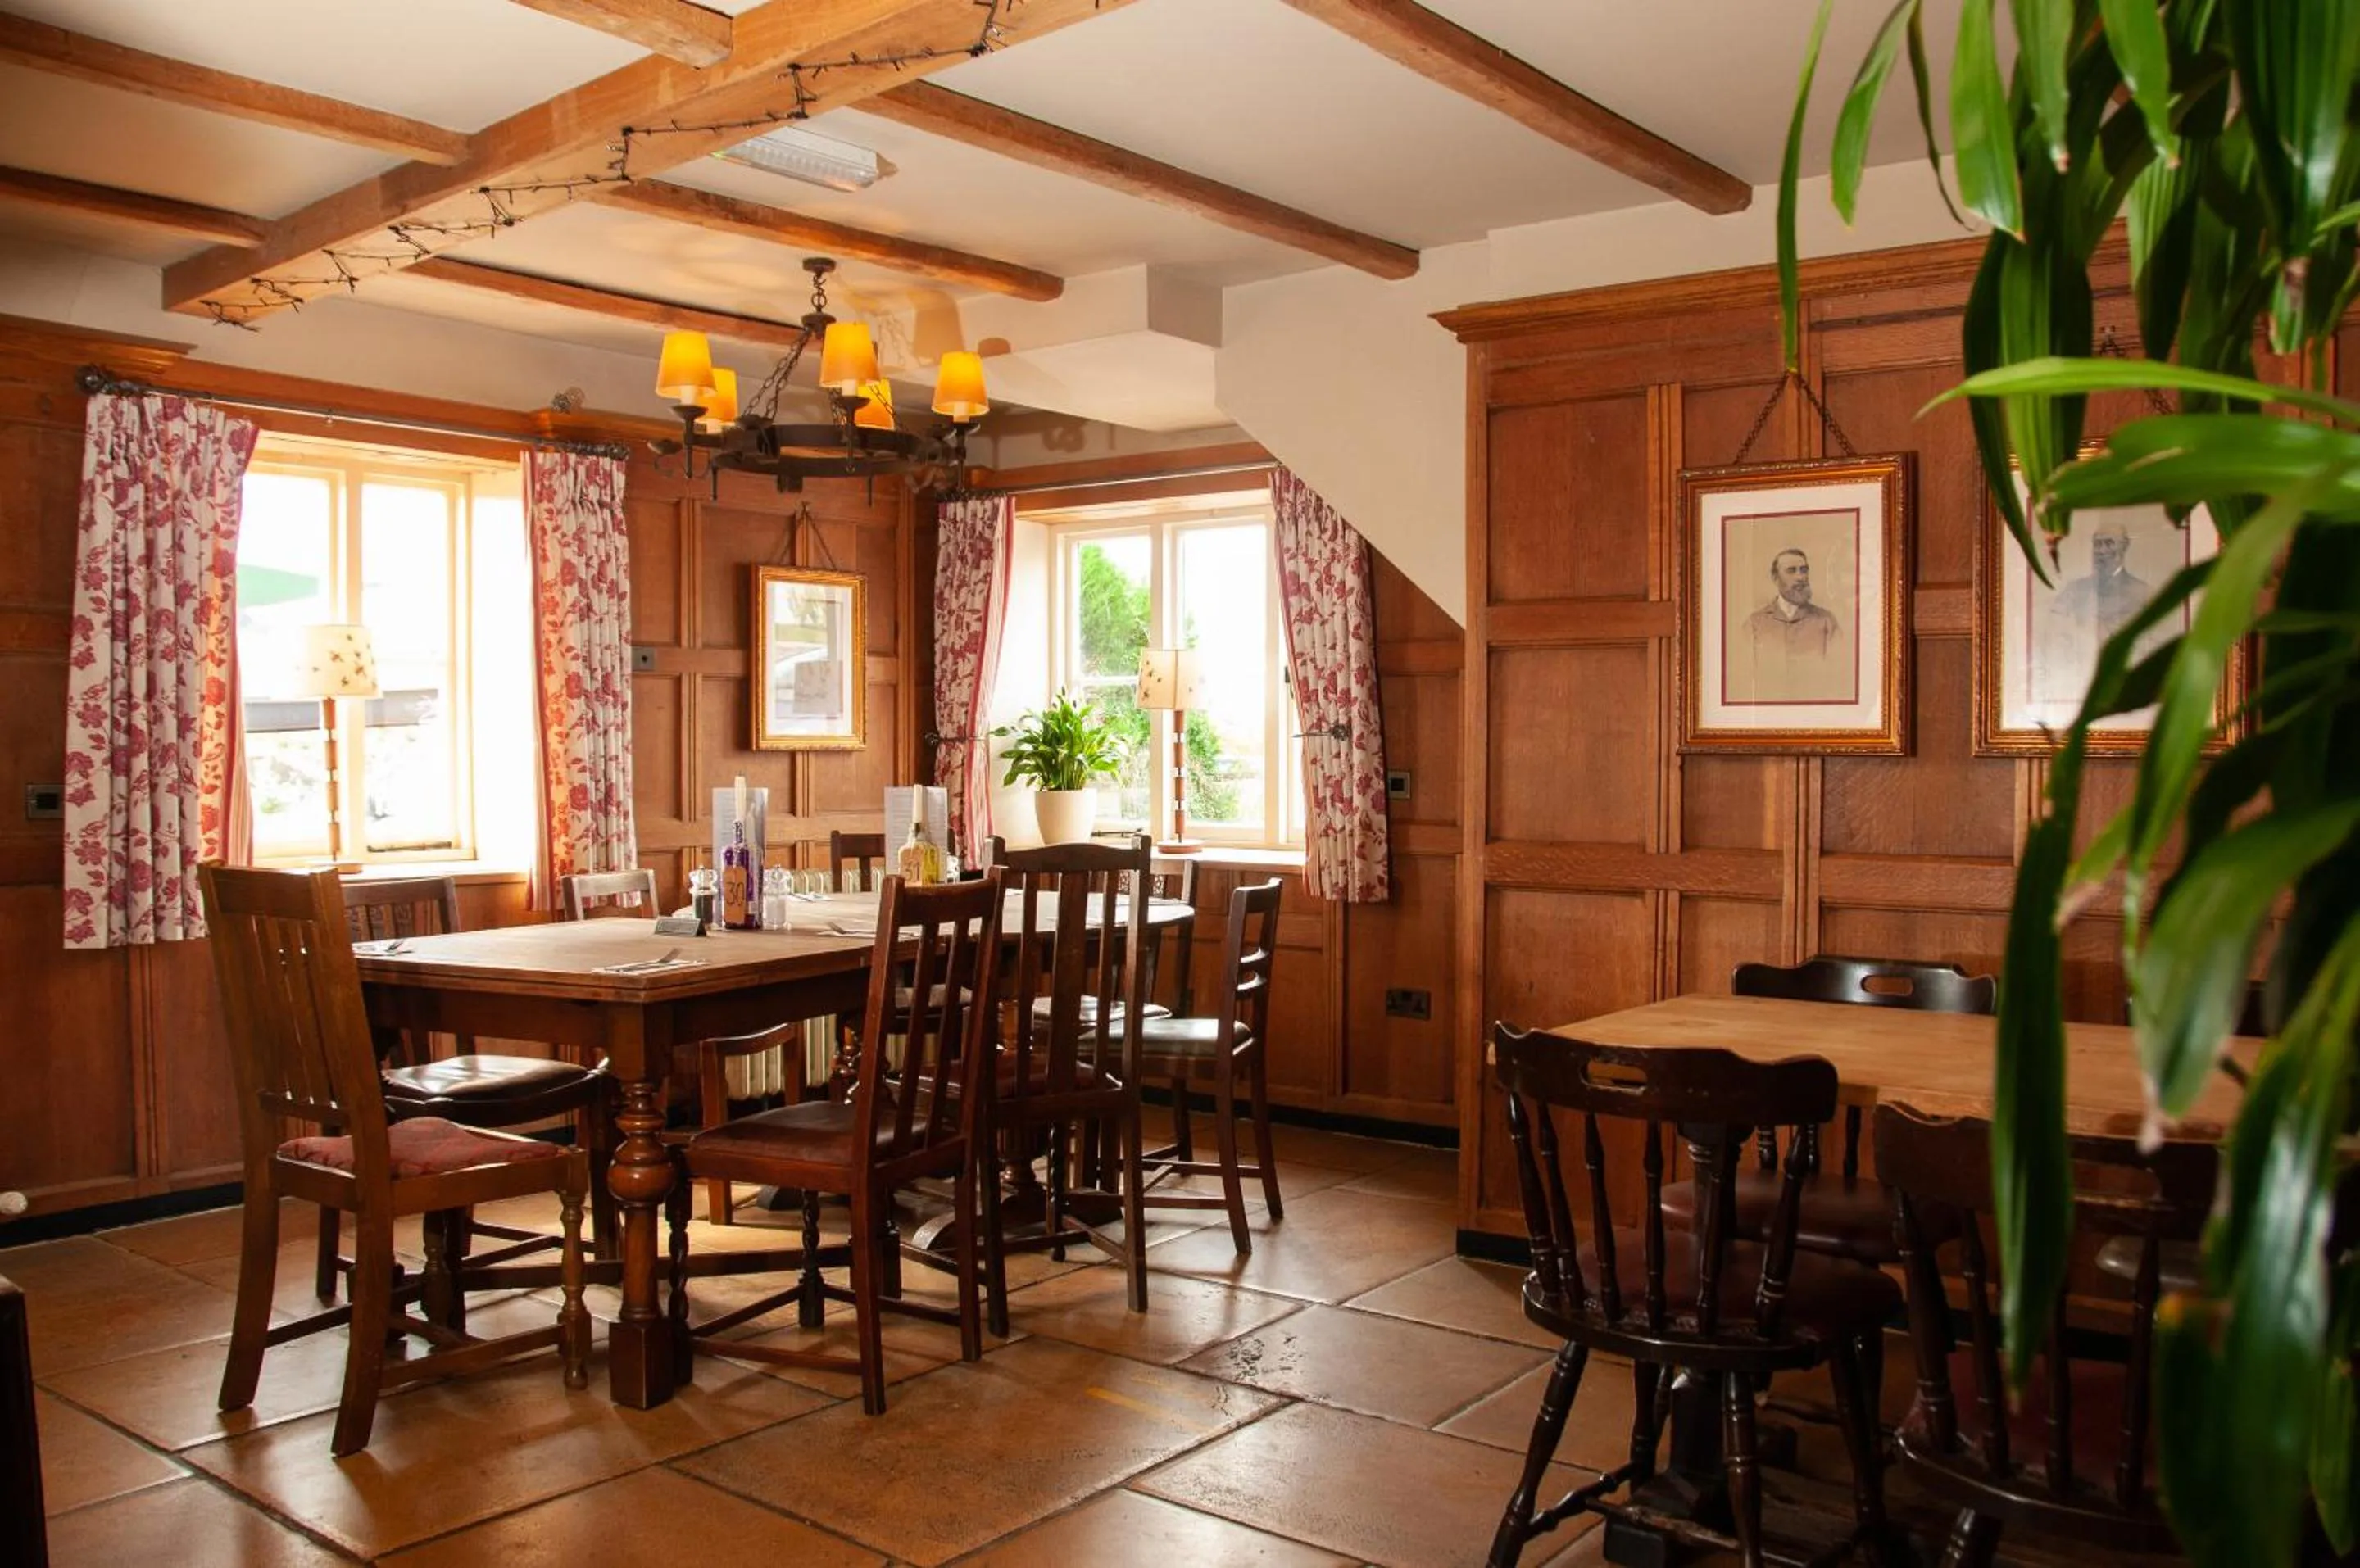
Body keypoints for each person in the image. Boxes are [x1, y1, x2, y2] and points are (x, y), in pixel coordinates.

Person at [1740, 547, 1842, 700]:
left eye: (1804, 570)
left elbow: (1838, 679)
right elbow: (1744, 678)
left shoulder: (1826, 621)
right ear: (1775, 578)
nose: (1801, 577)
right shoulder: (1755, 623)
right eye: (1791, 571)